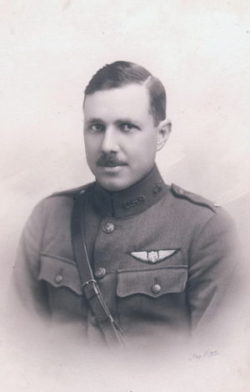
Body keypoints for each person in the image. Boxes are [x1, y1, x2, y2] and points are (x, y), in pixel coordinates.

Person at [13, 61, 238, 350]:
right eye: (96, 127)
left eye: (126, 127)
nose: (107, 145)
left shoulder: (206, 230)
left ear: (161, 134)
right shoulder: (47, 217)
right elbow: (16, 349)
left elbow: (216, 365)